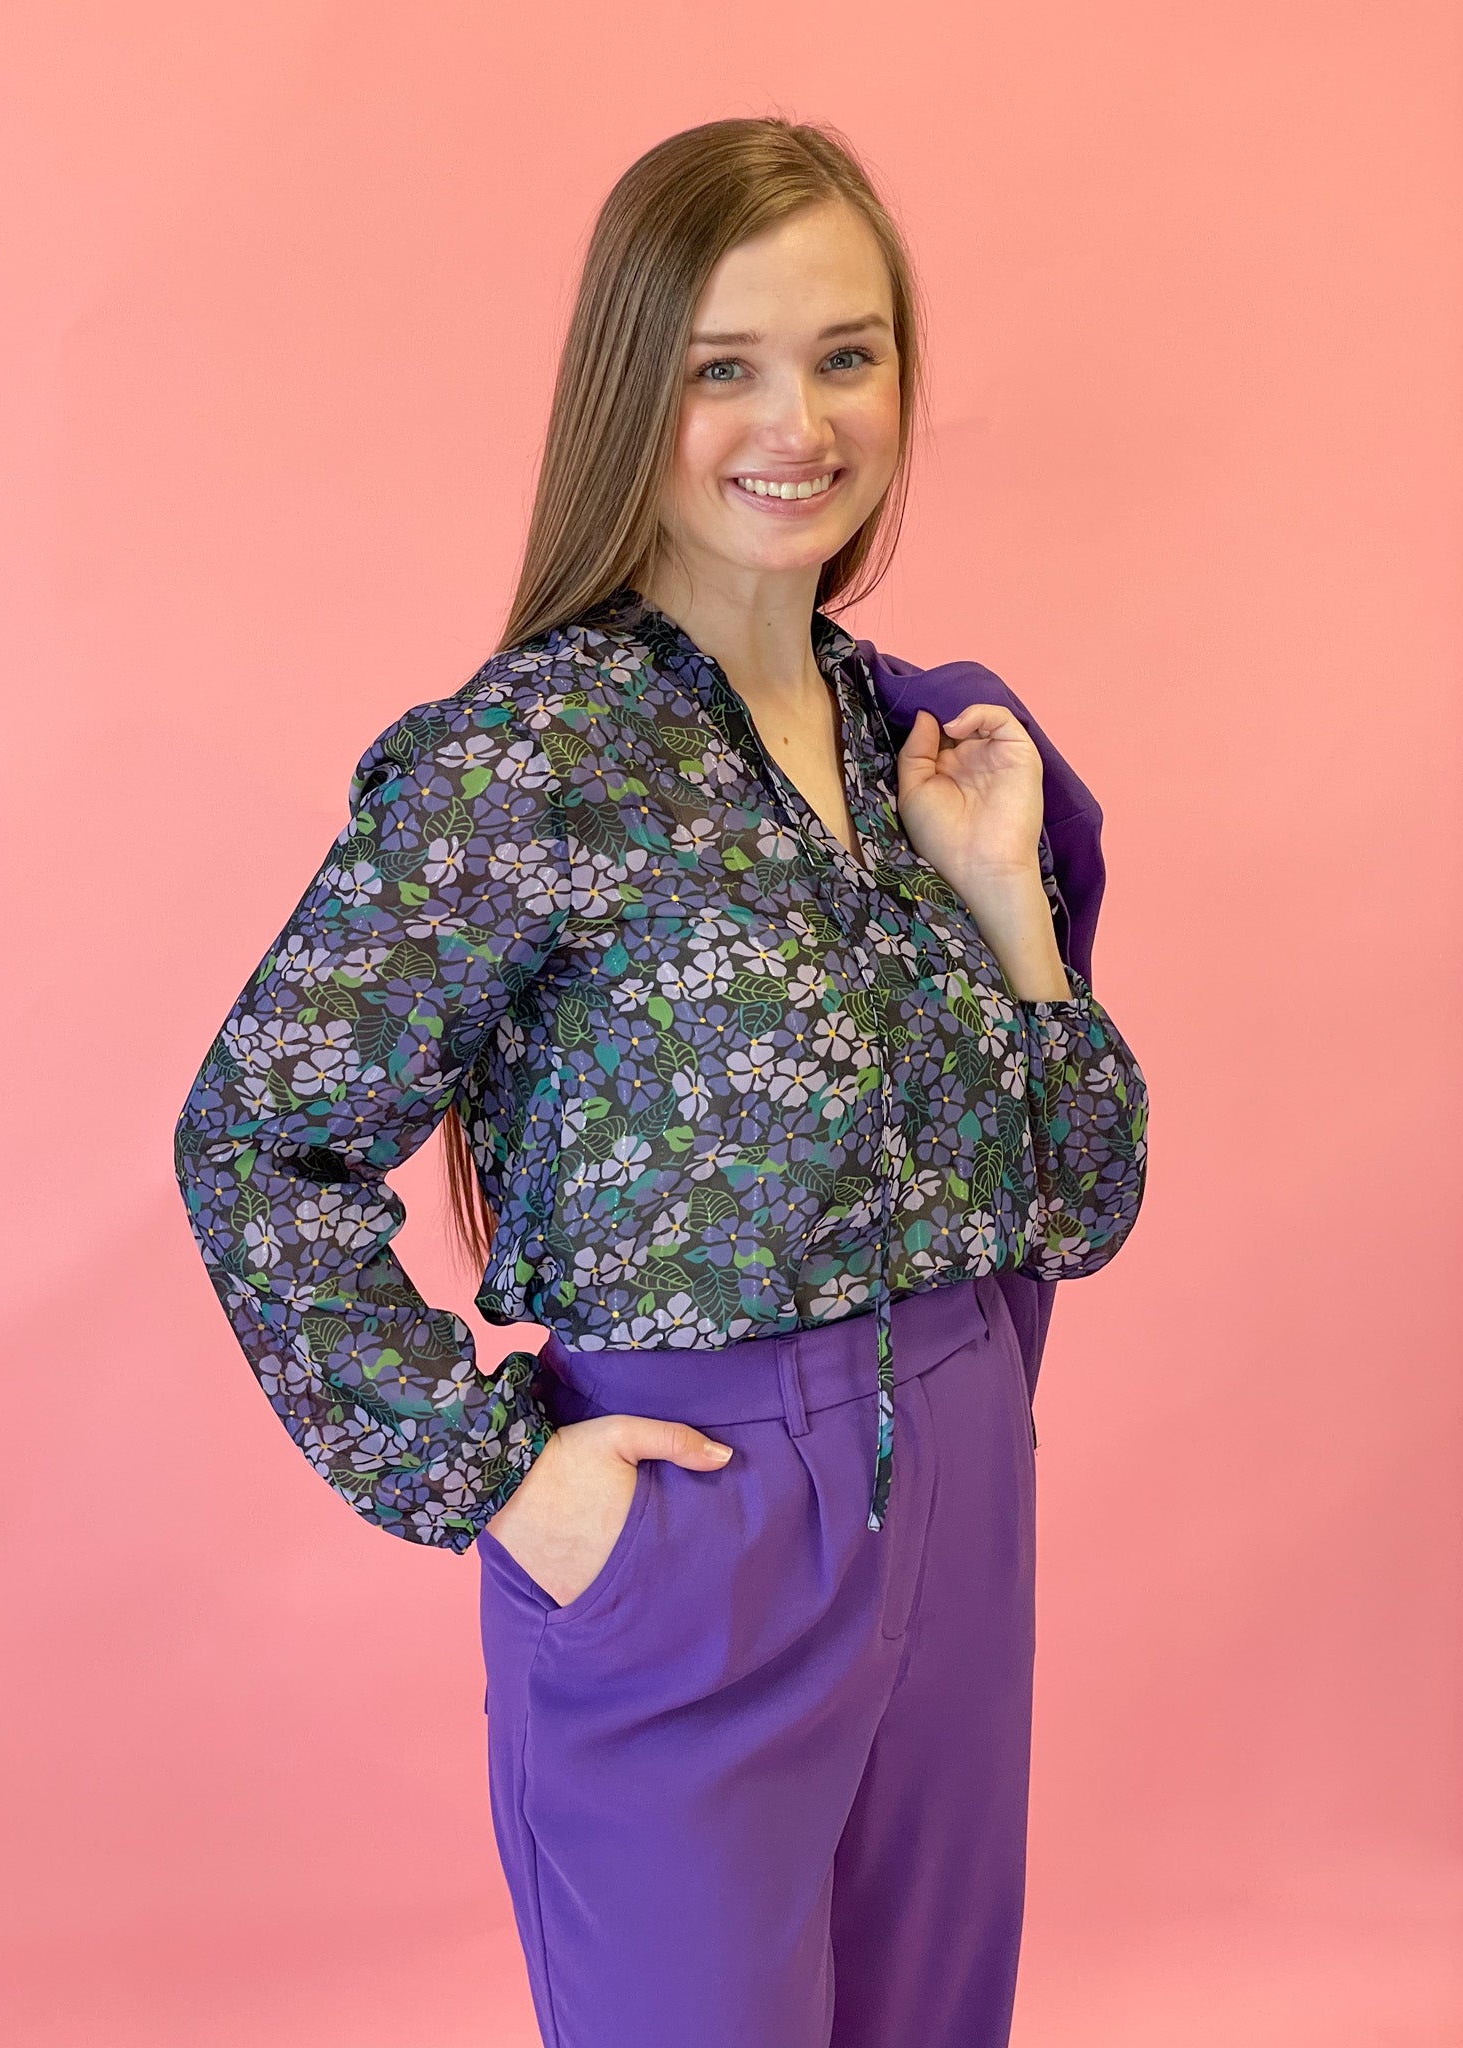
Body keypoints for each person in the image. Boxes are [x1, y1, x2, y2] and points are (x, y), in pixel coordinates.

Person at [173, 115, 1149, 2048]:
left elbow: (1083, 1208)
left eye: (847, 354)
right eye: (725, 367)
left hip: (964, 1486)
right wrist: (494, 1480)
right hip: (692, 1519)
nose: (799, 421)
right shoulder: (527, 757)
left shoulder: (922, 746)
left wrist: (1005, 905)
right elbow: (256, 1143)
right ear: (634, 390)